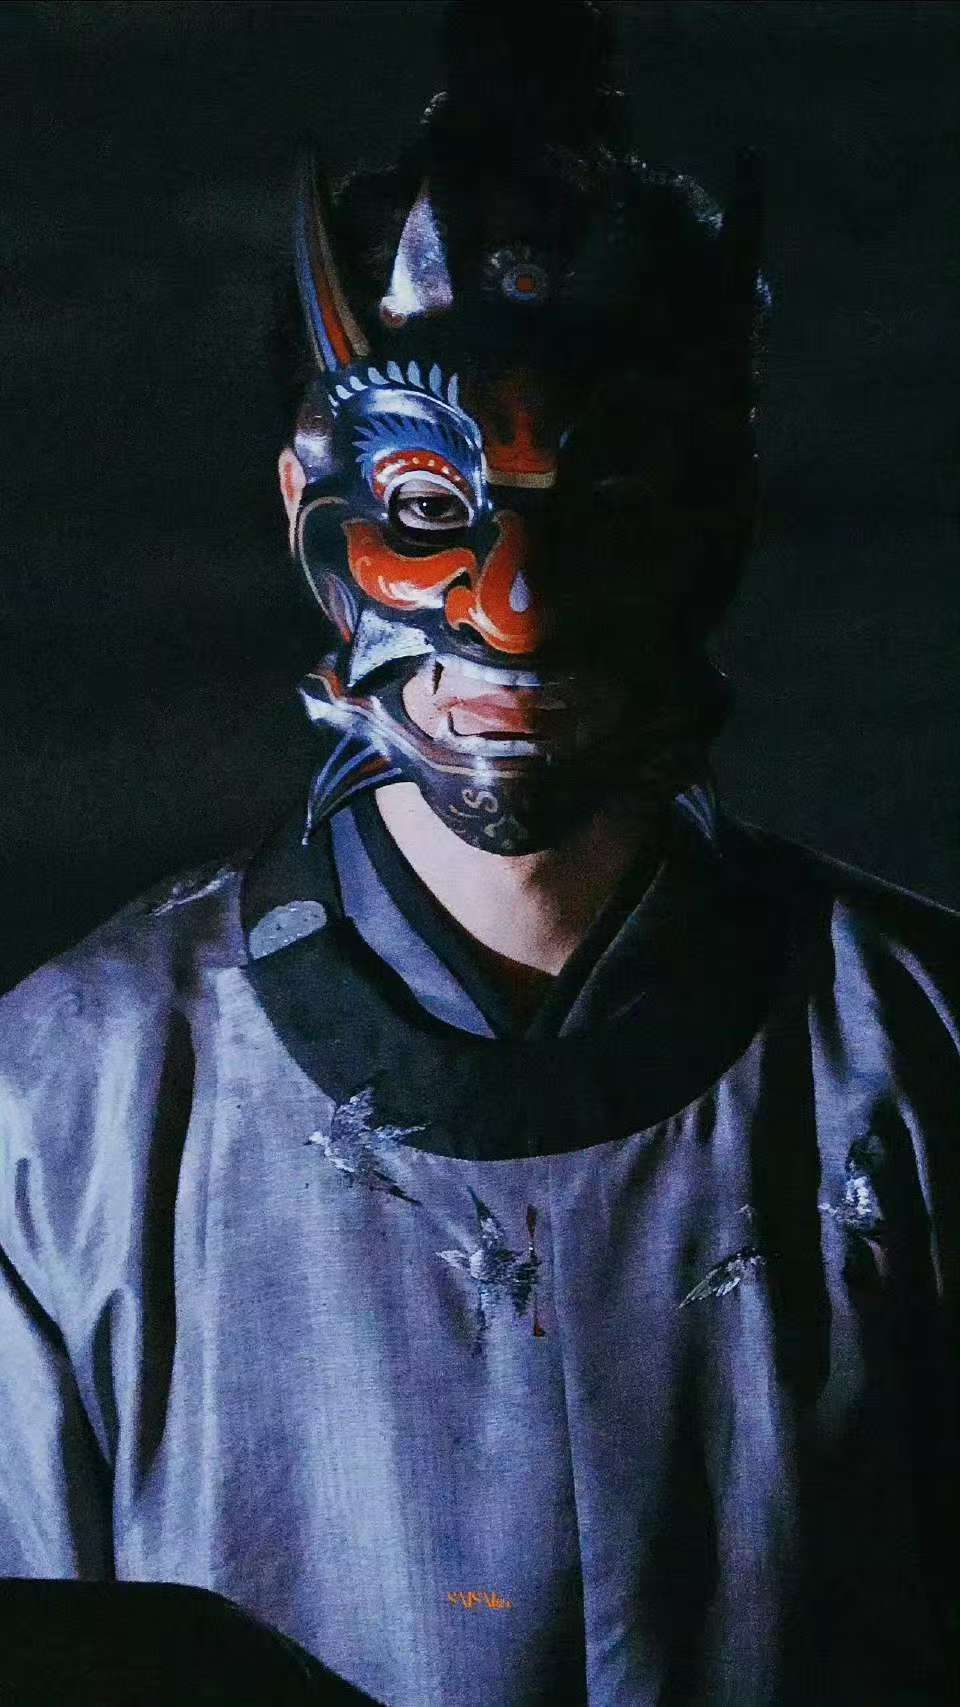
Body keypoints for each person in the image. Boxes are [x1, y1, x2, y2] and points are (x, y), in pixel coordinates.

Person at [1, 4, 956, 1704]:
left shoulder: (925, 1061)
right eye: (435, 510)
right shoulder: (63, 1116)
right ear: (308, 504)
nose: (517, 608)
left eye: (610, 507)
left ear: (717, 518)